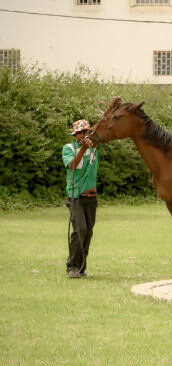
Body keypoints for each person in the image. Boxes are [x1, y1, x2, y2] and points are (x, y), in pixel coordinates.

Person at [63, 119, 102, 278]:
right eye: (79, 133)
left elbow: (101, 125)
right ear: (75, 135)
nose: (82, 135)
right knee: (80, 230)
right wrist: (83, 148)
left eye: (85, 131)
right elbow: (72, 165)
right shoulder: (69, 148)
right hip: (75, 197)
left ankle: (81, 268)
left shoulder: (95, 147)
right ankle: (71, 266)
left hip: (91, 198)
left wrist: (112, 107)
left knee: (88, 233)